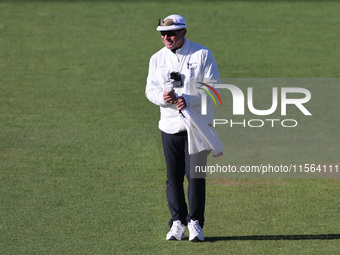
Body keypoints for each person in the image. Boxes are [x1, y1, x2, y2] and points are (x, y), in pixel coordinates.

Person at [145, 14, 220, 242]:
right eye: (163, 34)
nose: (167, 37)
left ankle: (195, 223)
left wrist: (188, 98)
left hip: (196, 125)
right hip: (169, 126)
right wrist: (163, 97)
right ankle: (177, 223)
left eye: (172, 33)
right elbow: (150, 90)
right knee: (173, 178)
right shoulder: (157, 59)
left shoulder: (202, 54)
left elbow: (213, 87)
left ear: (184, 32)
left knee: (195, 176)